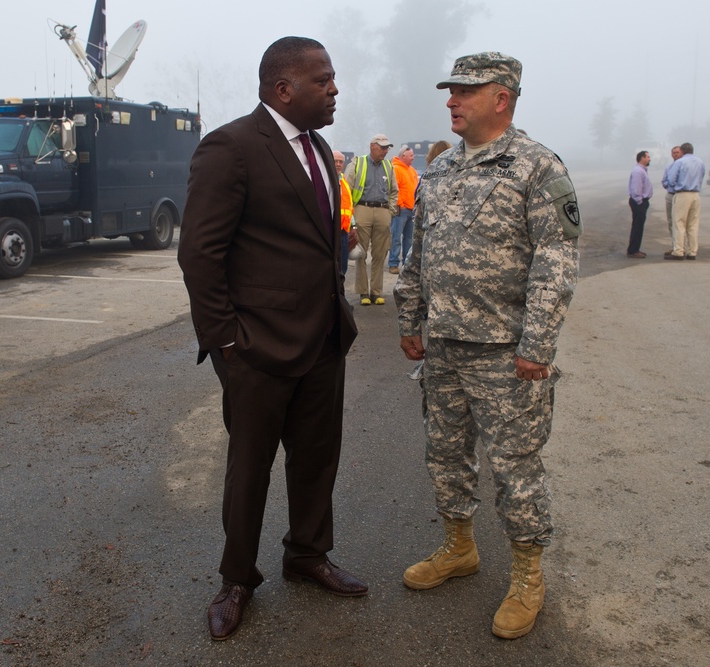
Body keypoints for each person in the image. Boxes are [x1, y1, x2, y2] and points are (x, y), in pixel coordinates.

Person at [178, 36, 365, 642]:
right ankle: (237, 578)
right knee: (249, 468)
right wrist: (225, 343)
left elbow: (315, 240)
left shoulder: (319, 148)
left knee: (316, 459)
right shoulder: (231, 147)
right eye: (325, 80)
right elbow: (199, 253)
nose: (335, 89)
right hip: (257, 347)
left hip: (322, 341)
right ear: (285, 89)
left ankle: (307, 554)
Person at [393, 52, 581, 640]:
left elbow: (556, 261)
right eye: (451, 90)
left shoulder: (535, 166)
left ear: (502, 98)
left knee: (515, 466)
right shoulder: (442, 169)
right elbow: (418, 252)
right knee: (446, 453)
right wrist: (410, 318)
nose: (452, 100)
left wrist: (538, 344)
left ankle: (528, 574)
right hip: (445, 345)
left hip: (506, 352)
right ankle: (459, 548)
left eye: (465, 92)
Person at [344, 134, 398, 305]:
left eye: (387, 147)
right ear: (372, 146)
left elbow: (394, 191)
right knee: (360, 252)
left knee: (380, 254)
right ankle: (363, 292)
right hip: (362, 209)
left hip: (382, 211)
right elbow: (347, 189)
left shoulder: (389, 166)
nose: (385, 151)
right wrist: (352, 217)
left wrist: (389, 211)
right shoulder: (357, 164)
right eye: (382, 147)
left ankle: (376, 291)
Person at [663, 142, 705, 260]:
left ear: (682, 151)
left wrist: (678, 186)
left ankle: (678, 251)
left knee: (679, 223)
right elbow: (702, 176)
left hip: (682, 193)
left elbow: (671, 179)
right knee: (693, 224)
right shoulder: (700, 161)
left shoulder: (680, 162)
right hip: (695, 194)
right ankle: (692, 251)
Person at [389, 145, 419, 274]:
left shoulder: (412, 170)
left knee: (408, 239)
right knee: (396, 237)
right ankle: (393, 263)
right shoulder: (396, 169)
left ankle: (407, 264)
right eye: (411, 156)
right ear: (403, 156)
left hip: (411, 210)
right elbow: (394, 189)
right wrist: (399, 204)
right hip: (401, 210)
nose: (413, 158)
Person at [626, 150, 653, 258]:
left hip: (641, 202)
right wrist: (640, 201)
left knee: (638, 226)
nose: (649, 159)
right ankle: (633, 250)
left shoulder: (642, 170)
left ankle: (634, 249)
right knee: (637, 227)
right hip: (639, 202)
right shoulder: (638, 171)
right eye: (648, 157)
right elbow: (635, 189)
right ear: (642, 158)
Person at [333, 150, 354, 277]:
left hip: (344, 229)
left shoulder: (343, 180)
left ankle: (341, 291)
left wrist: (353, 226)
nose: (339, 164)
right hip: (331, 228)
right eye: (336, 161)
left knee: (343, 265)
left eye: (341, 162)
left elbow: (349, 205)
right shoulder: (326, 179)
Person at [661, 145, 682, 245]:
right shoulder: (669, 167)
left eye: (677, 152)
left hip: (681, 195)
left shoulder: (684, 166)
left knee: (680, 222)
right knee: (671, 221)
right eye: (674, 153)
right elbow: (664, 181)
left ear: (682, 153)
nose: (675, 154)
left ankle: (682, 246)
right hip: (670, 195)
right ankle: (674, 246)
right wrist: (670, 184)